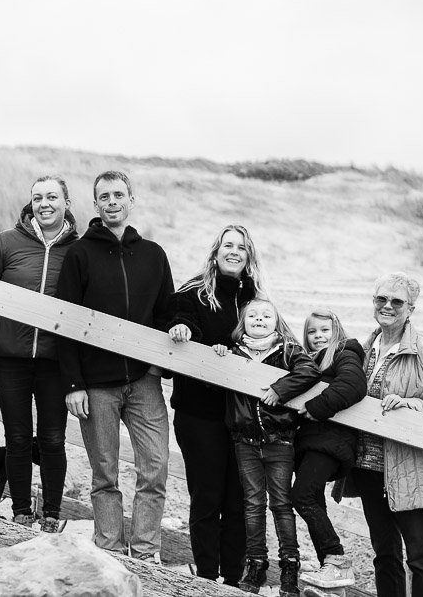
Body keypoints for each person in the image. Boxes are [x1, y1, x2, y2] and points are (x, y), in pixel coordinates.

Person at [55, 170, 174, 563]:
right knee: (105, 475)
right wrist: (73, 384)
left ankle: (143, 554)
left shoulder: (153, 254)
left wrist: (159, 366)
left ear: (131, 200)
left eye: (118, 195)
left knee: (154, 469)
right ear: (95, 204)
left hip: (143, 382)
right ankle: (109, 552)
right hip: (96, 384)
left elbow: (165, 313)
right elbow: (66, 321)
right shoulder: (80, 254)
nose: (112, 202)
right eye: (103, 196)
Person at [346, 272, 423, 596]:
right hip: (369, 469)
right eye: (381, 299)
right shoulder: (364, 348)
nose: (387, 306)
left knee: (421, 556)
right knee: (384, 555)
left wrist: (412, 405)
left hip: (412, 470)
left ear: (411, 308)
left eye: (397, 301)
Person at [0, 175, 78, 532]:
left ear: (67, 202)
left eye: (52, 197)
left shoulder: (78, 249)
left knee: (52, 438)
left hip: (55, 362)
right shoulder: (6, 242)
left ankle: (50, 512)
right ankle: (20, 511)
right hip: (10, 359)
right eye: (37, 198)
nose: (44, 203)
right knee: (17, 437)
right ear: (30, 203)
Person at [167, 225, 265, 586]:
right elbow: (181, 320)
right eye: (228, 245)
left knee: (238, 500)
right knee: (207, 496)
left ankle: (233, 578)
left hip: (241, 418)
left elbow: (274, 340)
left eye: (241, 247)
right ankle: (207, 576)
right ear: (216, 252)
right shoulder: (194, 293)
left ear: (248, 256)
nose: (234, 251)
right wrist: (182, 329)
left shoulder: (256, 300)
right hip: (199, 413)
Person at [215, 298, 319, 597]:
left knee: (282, 505)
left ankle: (289, 566)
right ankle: (257, 562)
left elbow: (309, 372)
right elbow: (213, 379)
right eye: (252, 315)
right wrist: (219, 355)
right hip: (244, 441)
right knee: (252, 504)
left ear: (277, 322)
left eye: (266, 315)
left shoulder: (288, 351)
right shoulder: (233, 351)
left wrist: (279, 389)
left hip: (280, 440)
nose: (259, 319)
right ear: (243, 322)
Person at [292, 309, 367, 590]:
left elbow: (353, 384)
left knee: (301, 496)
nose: (318, 336)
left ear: (336, 330)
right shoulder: (310, 359)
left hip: (331, 441)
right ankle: (332, 574)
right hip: (315, 442)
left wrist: (316, 407)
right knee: (313, 500)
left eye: (324, 330)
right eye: (312, 332)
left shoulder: (344, 351)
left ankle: (337, 560)